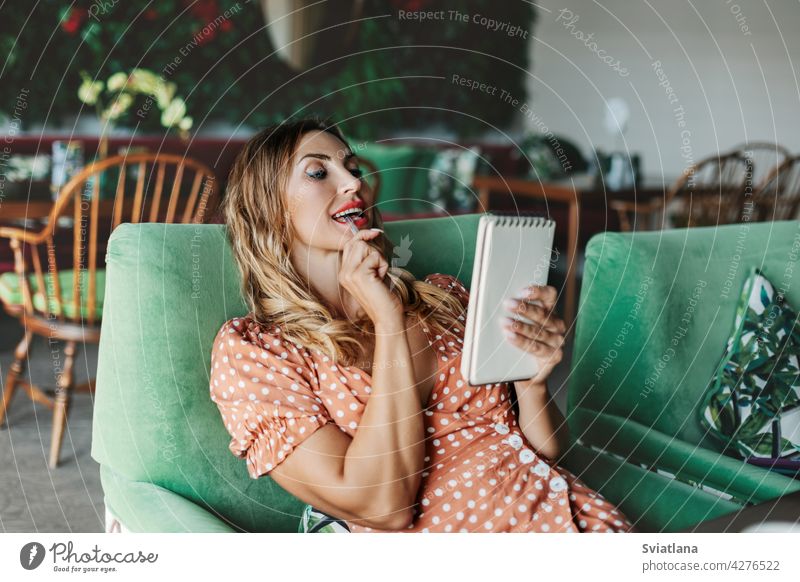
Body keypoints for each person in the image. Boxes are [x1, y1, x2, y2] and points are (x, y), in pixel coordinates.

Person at [209, 116, 637, 533]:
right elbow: (383, 507)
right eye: (319, 172)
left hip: (581, 519)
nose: (354, 183)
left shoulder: (443, 297)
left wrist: (533, 382)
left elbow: (542, 449)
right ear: (268, 208)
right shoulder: (257, 354)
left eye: (353, 168)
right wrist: (389, 322)